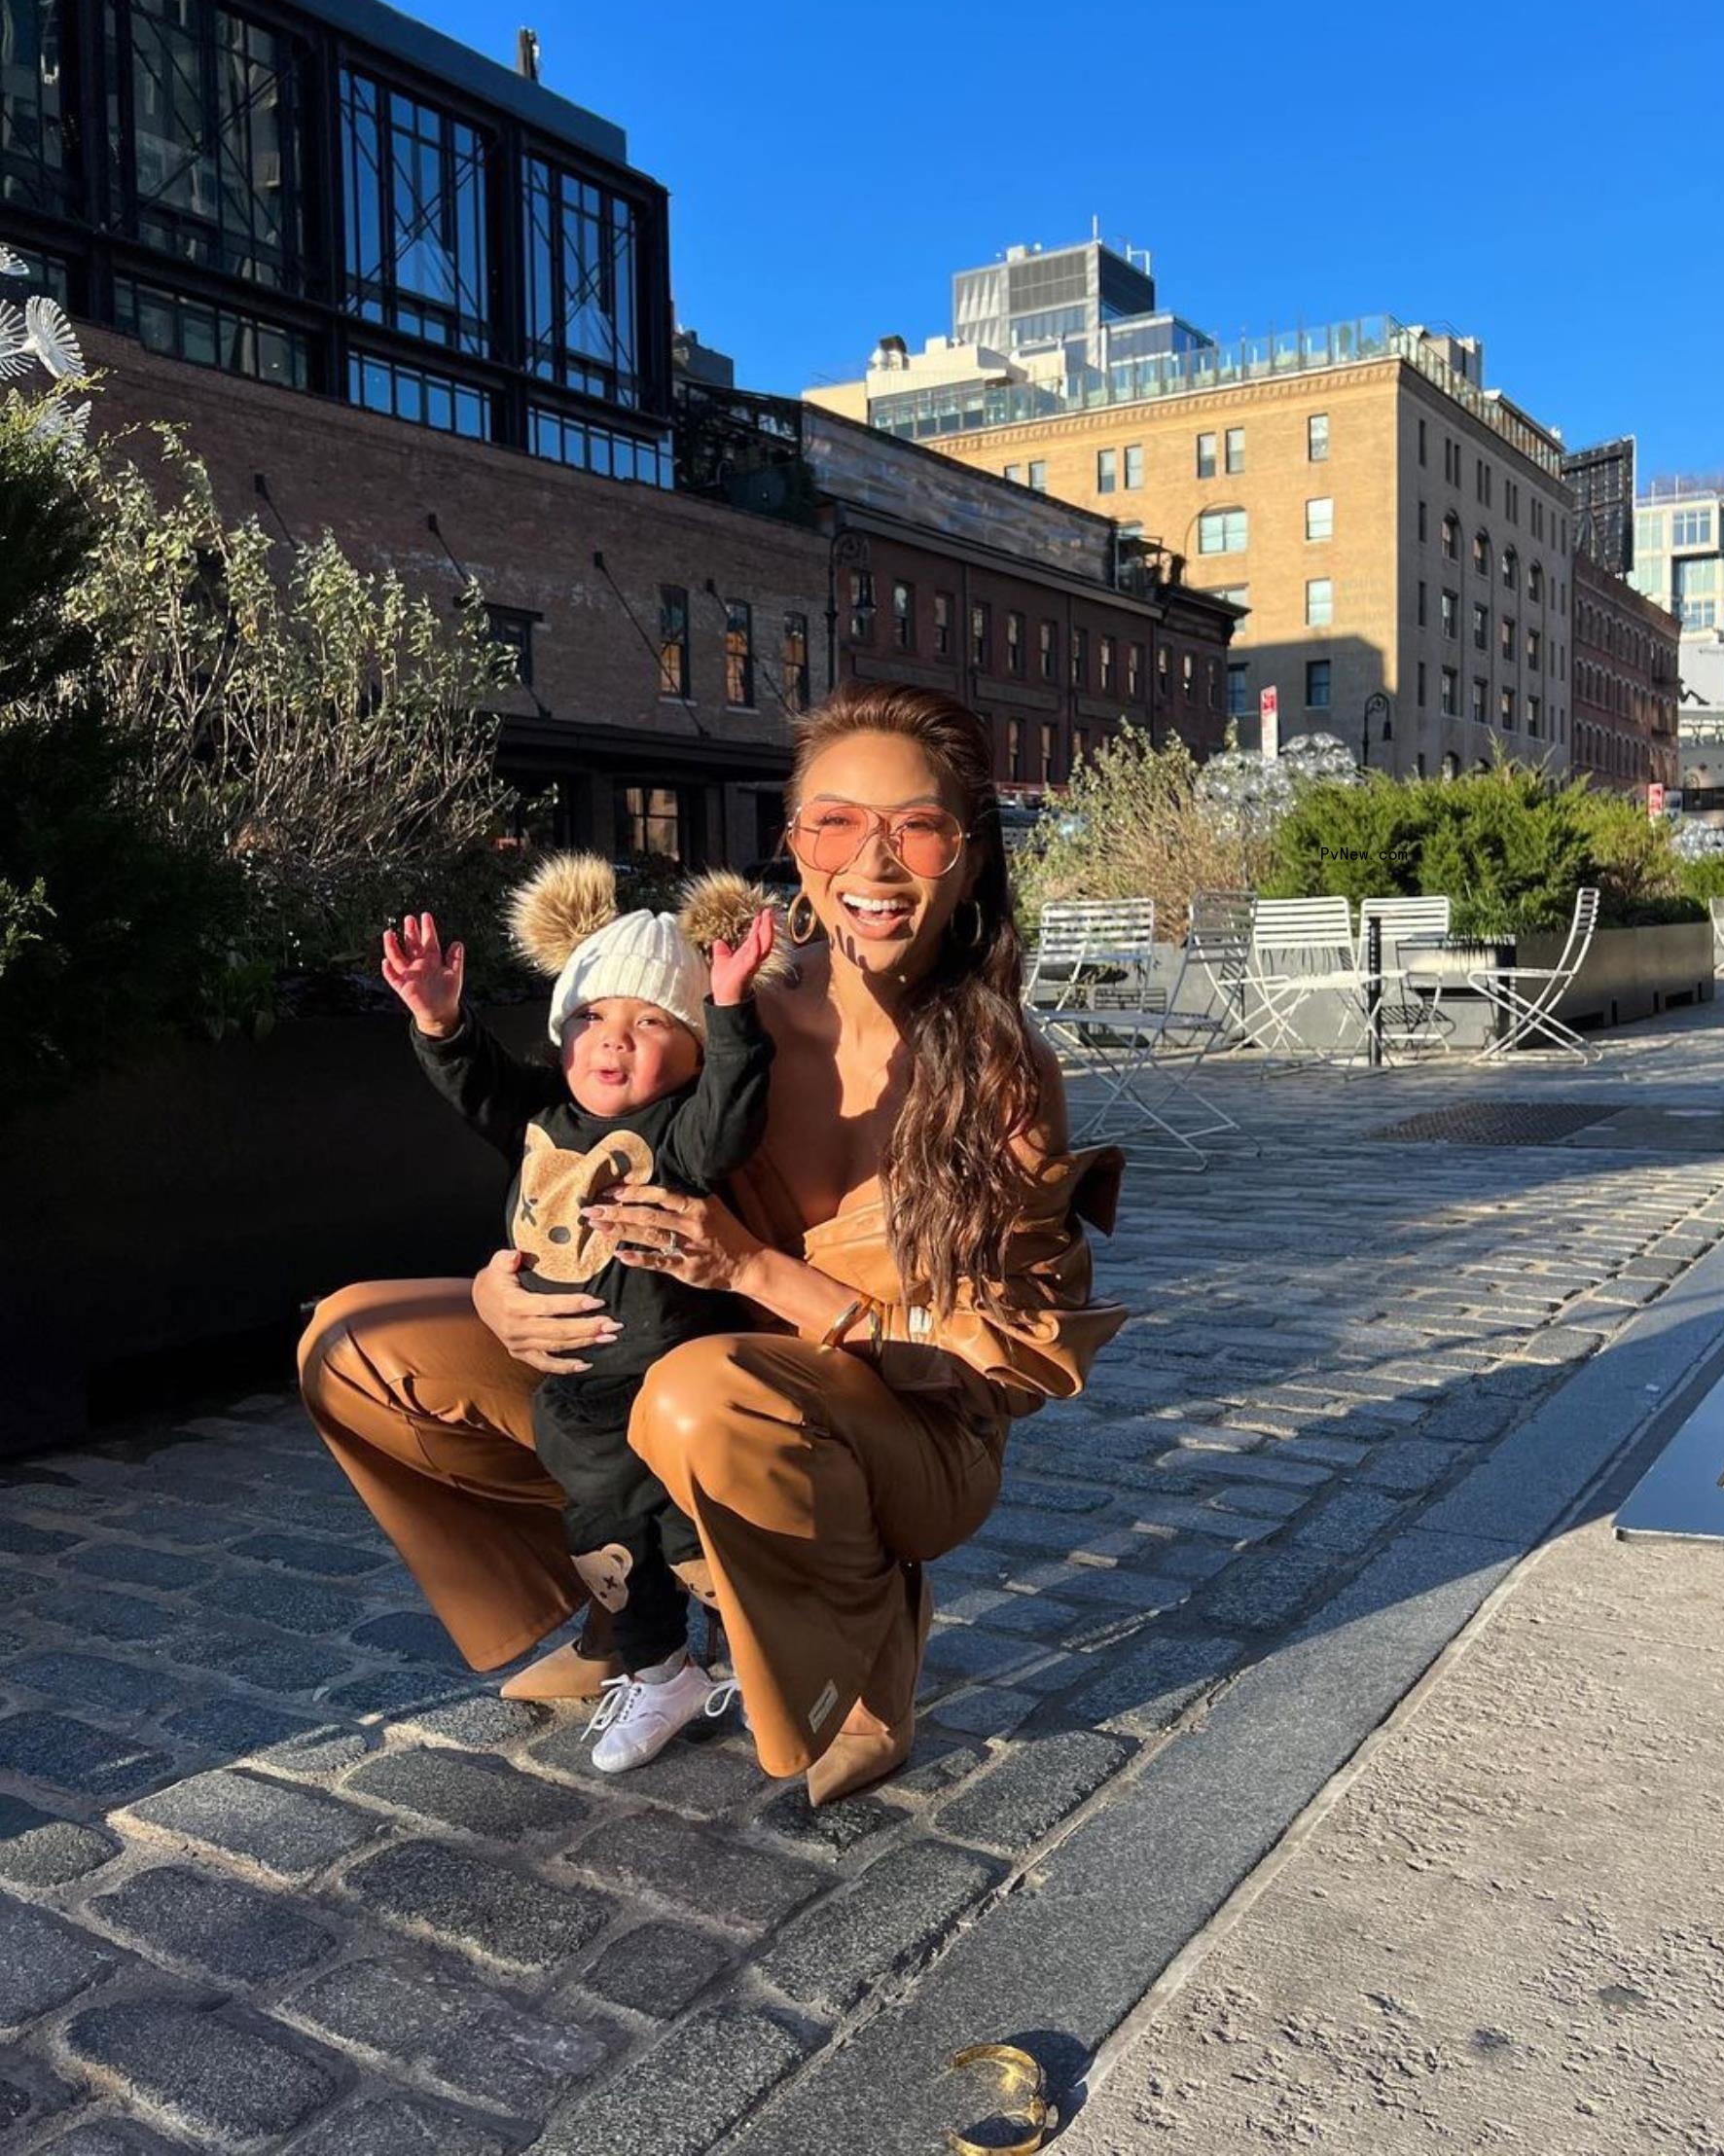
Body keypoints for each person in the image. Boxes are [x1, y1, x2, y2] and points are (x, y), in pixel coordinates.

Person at [300, 681, 1126, 1806]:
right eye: (836, 823)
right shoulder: (727, 1020)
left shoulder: (1002, 1074)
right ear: (794, 841)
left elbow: (1002, 1356)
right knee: (354, 1344)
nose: (873, 866)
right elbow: (576, 1153)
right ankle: (620, 1614)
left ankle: (861, 1652)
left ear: (970, 858)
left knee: (696, 1393)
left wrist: (752, 1270)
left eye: (918, 829)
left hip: (913, 1437)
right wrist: (502, 1292)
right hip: (679, 1377)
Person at [377, 861, 779, 1769]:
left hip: (677, 1383)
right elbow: (476, 1083)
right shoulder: (542, 1114)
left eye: (650, 1023)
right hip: (580, 1398)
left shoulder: (679, 1131)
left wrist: (726, 1011)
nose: (614, 1041)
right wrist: (440, 1020)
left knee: (695, 1537)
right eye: (593, 1017)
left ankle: (762, 1659)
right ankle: (659, 1674)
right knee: (606, 1545)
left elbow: (729, 1120)